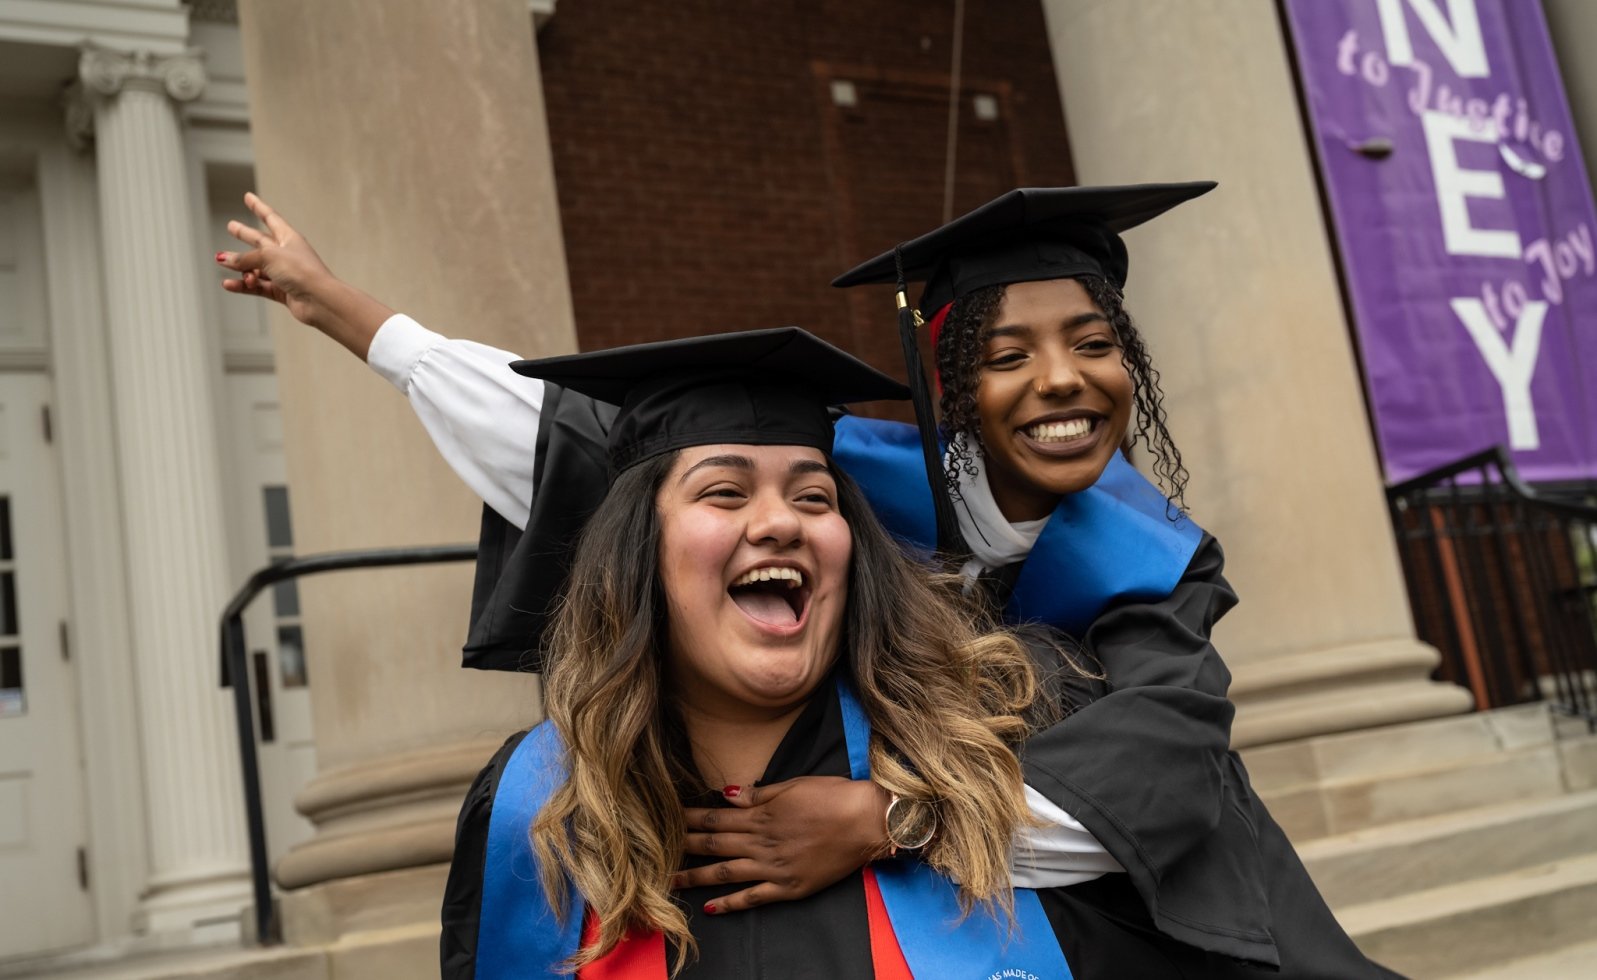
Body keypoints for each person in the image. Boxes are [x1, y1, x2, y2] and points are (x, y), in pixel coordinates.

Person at [218, 190, 1397, 977]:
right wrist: (351, 316)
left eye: (1095, 343)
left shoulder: (1150, 562)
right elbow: (573, 438)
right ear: (941, 387)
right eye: (1006, 352)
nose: (1061, 380)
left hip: (1032, 825)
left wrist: (892, 816)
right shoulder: (852, 482)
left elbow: (1172, 760)